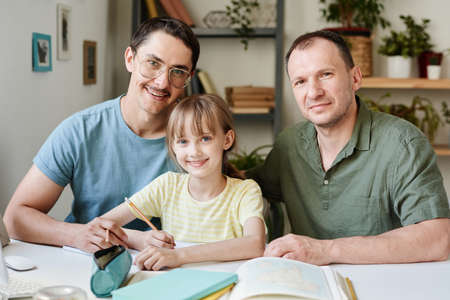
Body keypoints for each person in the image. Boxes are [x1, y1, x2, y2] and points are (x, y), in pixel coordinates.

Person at [247, 30, 449, 265]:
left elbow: (437, 238)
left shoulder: (403, 144)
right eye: (300, 81)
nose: (313, 92)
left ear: (355, 78)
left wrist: (325, 250)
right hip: (310, 285)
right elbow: (243, 187)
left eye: (325, 74)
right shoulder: (289, 145)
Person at [3, 17, 200, 253]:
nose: (162, 82)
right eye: (152, 63)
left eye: (177, 72)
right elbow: (15, 219)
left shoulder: (198, 143)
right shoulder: (80, 130)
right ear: (130, 58)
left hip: (165, 268)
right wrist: (77, 235)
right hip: (84, 260)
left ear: (189, 78)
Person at [102, 94, 266, 270]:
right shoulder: (167, 186)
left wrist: (179, 256)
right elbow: (101, 226)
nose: (194, 151)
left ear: (227, 140)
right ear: (173, 145)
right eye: (183, 141)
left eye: (205, 138)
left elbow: (255, 244)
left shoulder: (245, 191)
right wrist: (140, 238)